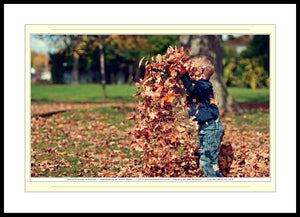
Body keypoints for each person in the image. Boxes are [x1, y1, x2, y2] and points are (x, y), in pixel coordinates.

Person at [179, 56, 224, 177]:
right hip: (205, 129)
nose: (190, 73)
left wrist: (183, 76)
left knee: (208, 161)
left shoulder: (204, 86)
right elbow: (191, 87)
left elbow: (192, 88)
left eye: (192, 70)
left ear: (201, 71)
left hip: (211, 129)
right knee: (200, 153)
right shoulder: (199, 86)